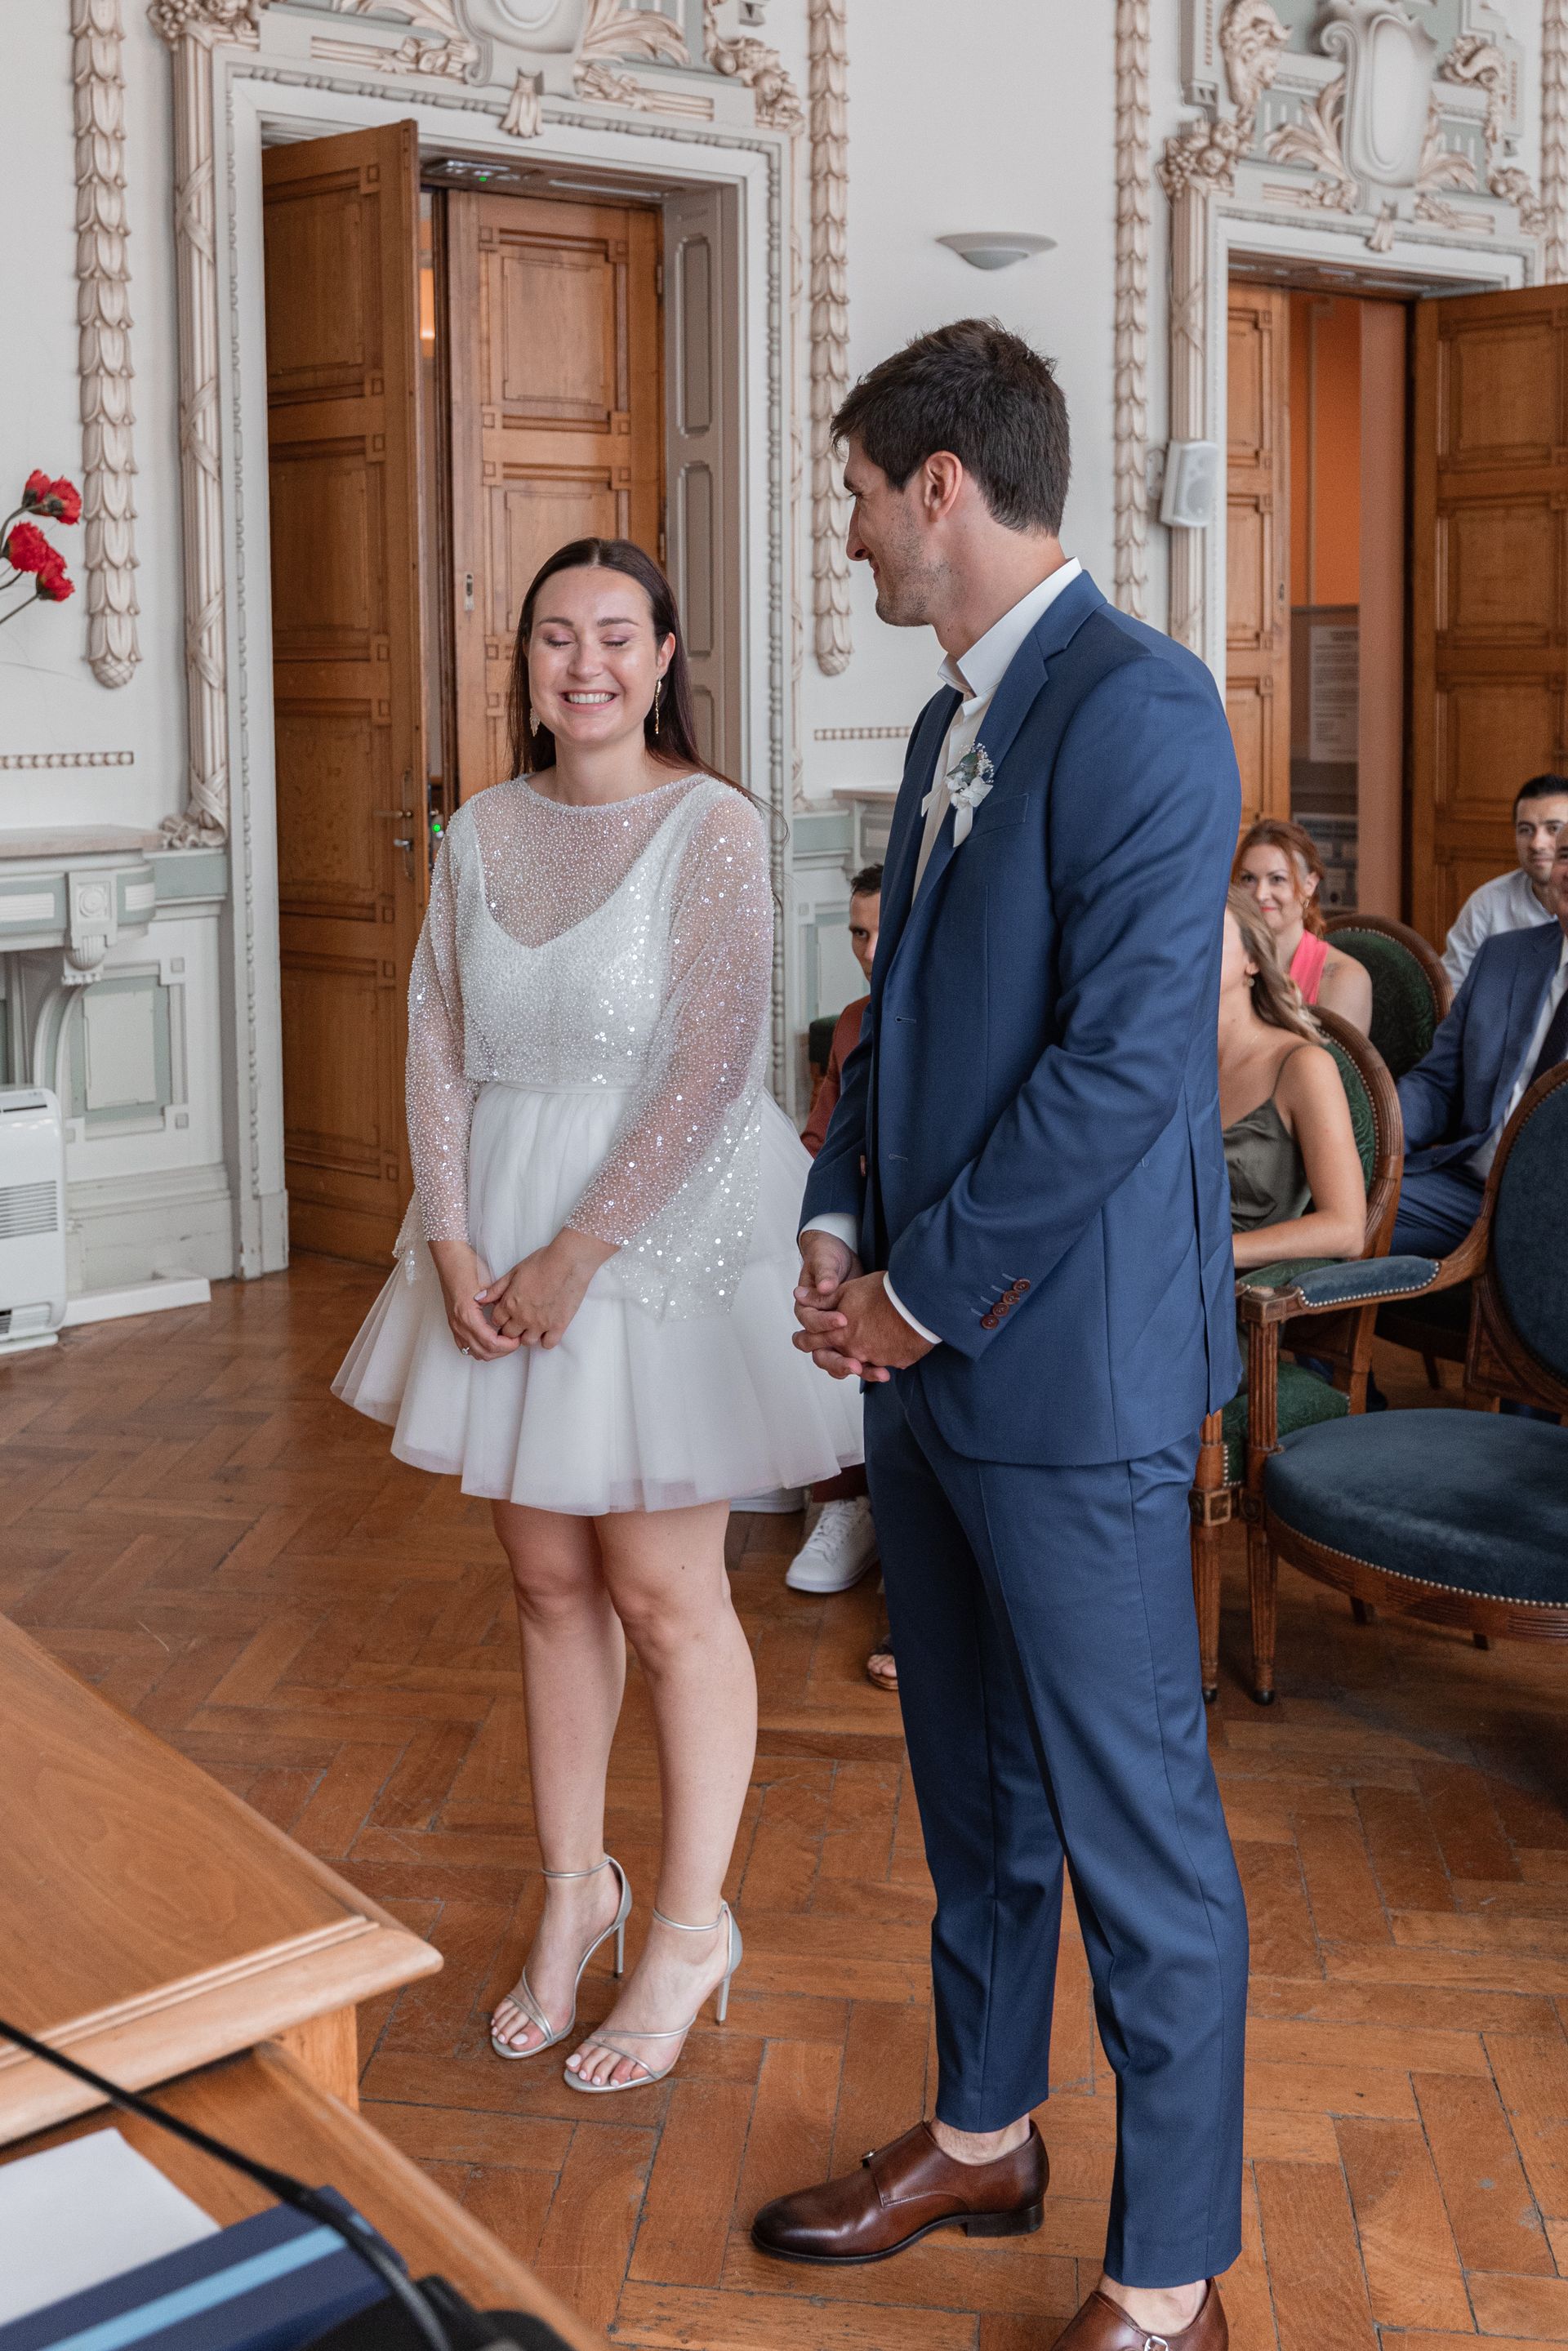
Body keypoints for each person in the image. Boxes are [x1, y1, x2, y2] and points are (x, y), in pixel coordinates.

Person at [756, 320, 1248, 2351]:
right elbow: (911, 1024)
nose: (852, 531)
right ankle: (983, 2131)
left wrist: (919, 1291)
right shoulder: (954, 717)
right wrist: (832, 1203)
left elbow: (1124, 1070)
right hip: (930, 1371)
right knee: (970, 1785)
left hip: (1072, 1381)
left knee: (1138, 1842)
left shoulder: (1143, 711)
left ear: (940, 486)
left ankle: (1166, 2285)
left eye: (862, 495)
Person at [334, 537, 860, 2097]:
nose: (585, 663)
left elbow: (714, 1065)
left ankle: (690, 1923)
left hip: (662, 1225)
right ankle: (578, 1892)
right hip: (493, 1217)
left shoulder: (714, 823)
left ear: (665, 651)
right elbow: (435, 1030)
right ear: (527, 661)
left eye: (616, 636)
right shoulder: (482, 827)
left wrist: (576, 1249)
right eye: (556, 636)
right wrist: (449, 1234)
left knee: (662, 1584)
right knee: (544, 1571)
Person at [1394, 828, 1568, 1259]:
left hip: (1557, 1212)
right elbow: (1438, 1084)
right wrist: (1367, 1135)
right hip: (1469, 1190)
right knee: (1331, 1210)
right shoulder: (1504, 956)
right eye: (1566, 855)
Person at [787, 865, 883, 1599]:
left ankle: (872, 1498)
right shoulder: (852, 1023)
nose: (870, 948)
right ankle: (837, 1491)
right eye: (857, 931)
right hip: (851, 1207)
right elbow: (822, 1134)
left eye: (885, 929)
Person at [1220, 889, 1365, 1271]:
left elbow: (1346, 1229)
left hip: (1237, 1298)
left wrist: (1210, 1258)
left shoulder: (1303, 1066)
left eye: (1207, 935)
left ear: (1253, 959)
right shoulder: (1165, 1060)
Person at [1233, 817, 1373, 1033]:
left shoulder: (1344, 978)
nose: (1260, 895)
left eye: (1277, 879)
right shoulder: (1224, 966)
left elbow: (1335, 1067)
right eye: (1248, 879)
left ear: (1309, 885)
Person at [1441, 774, 1568, 990]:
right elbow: (1451, 987)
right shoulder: (1487, 903)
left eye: (1554, 829)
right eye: (1526, 830)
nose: (1537, 844)